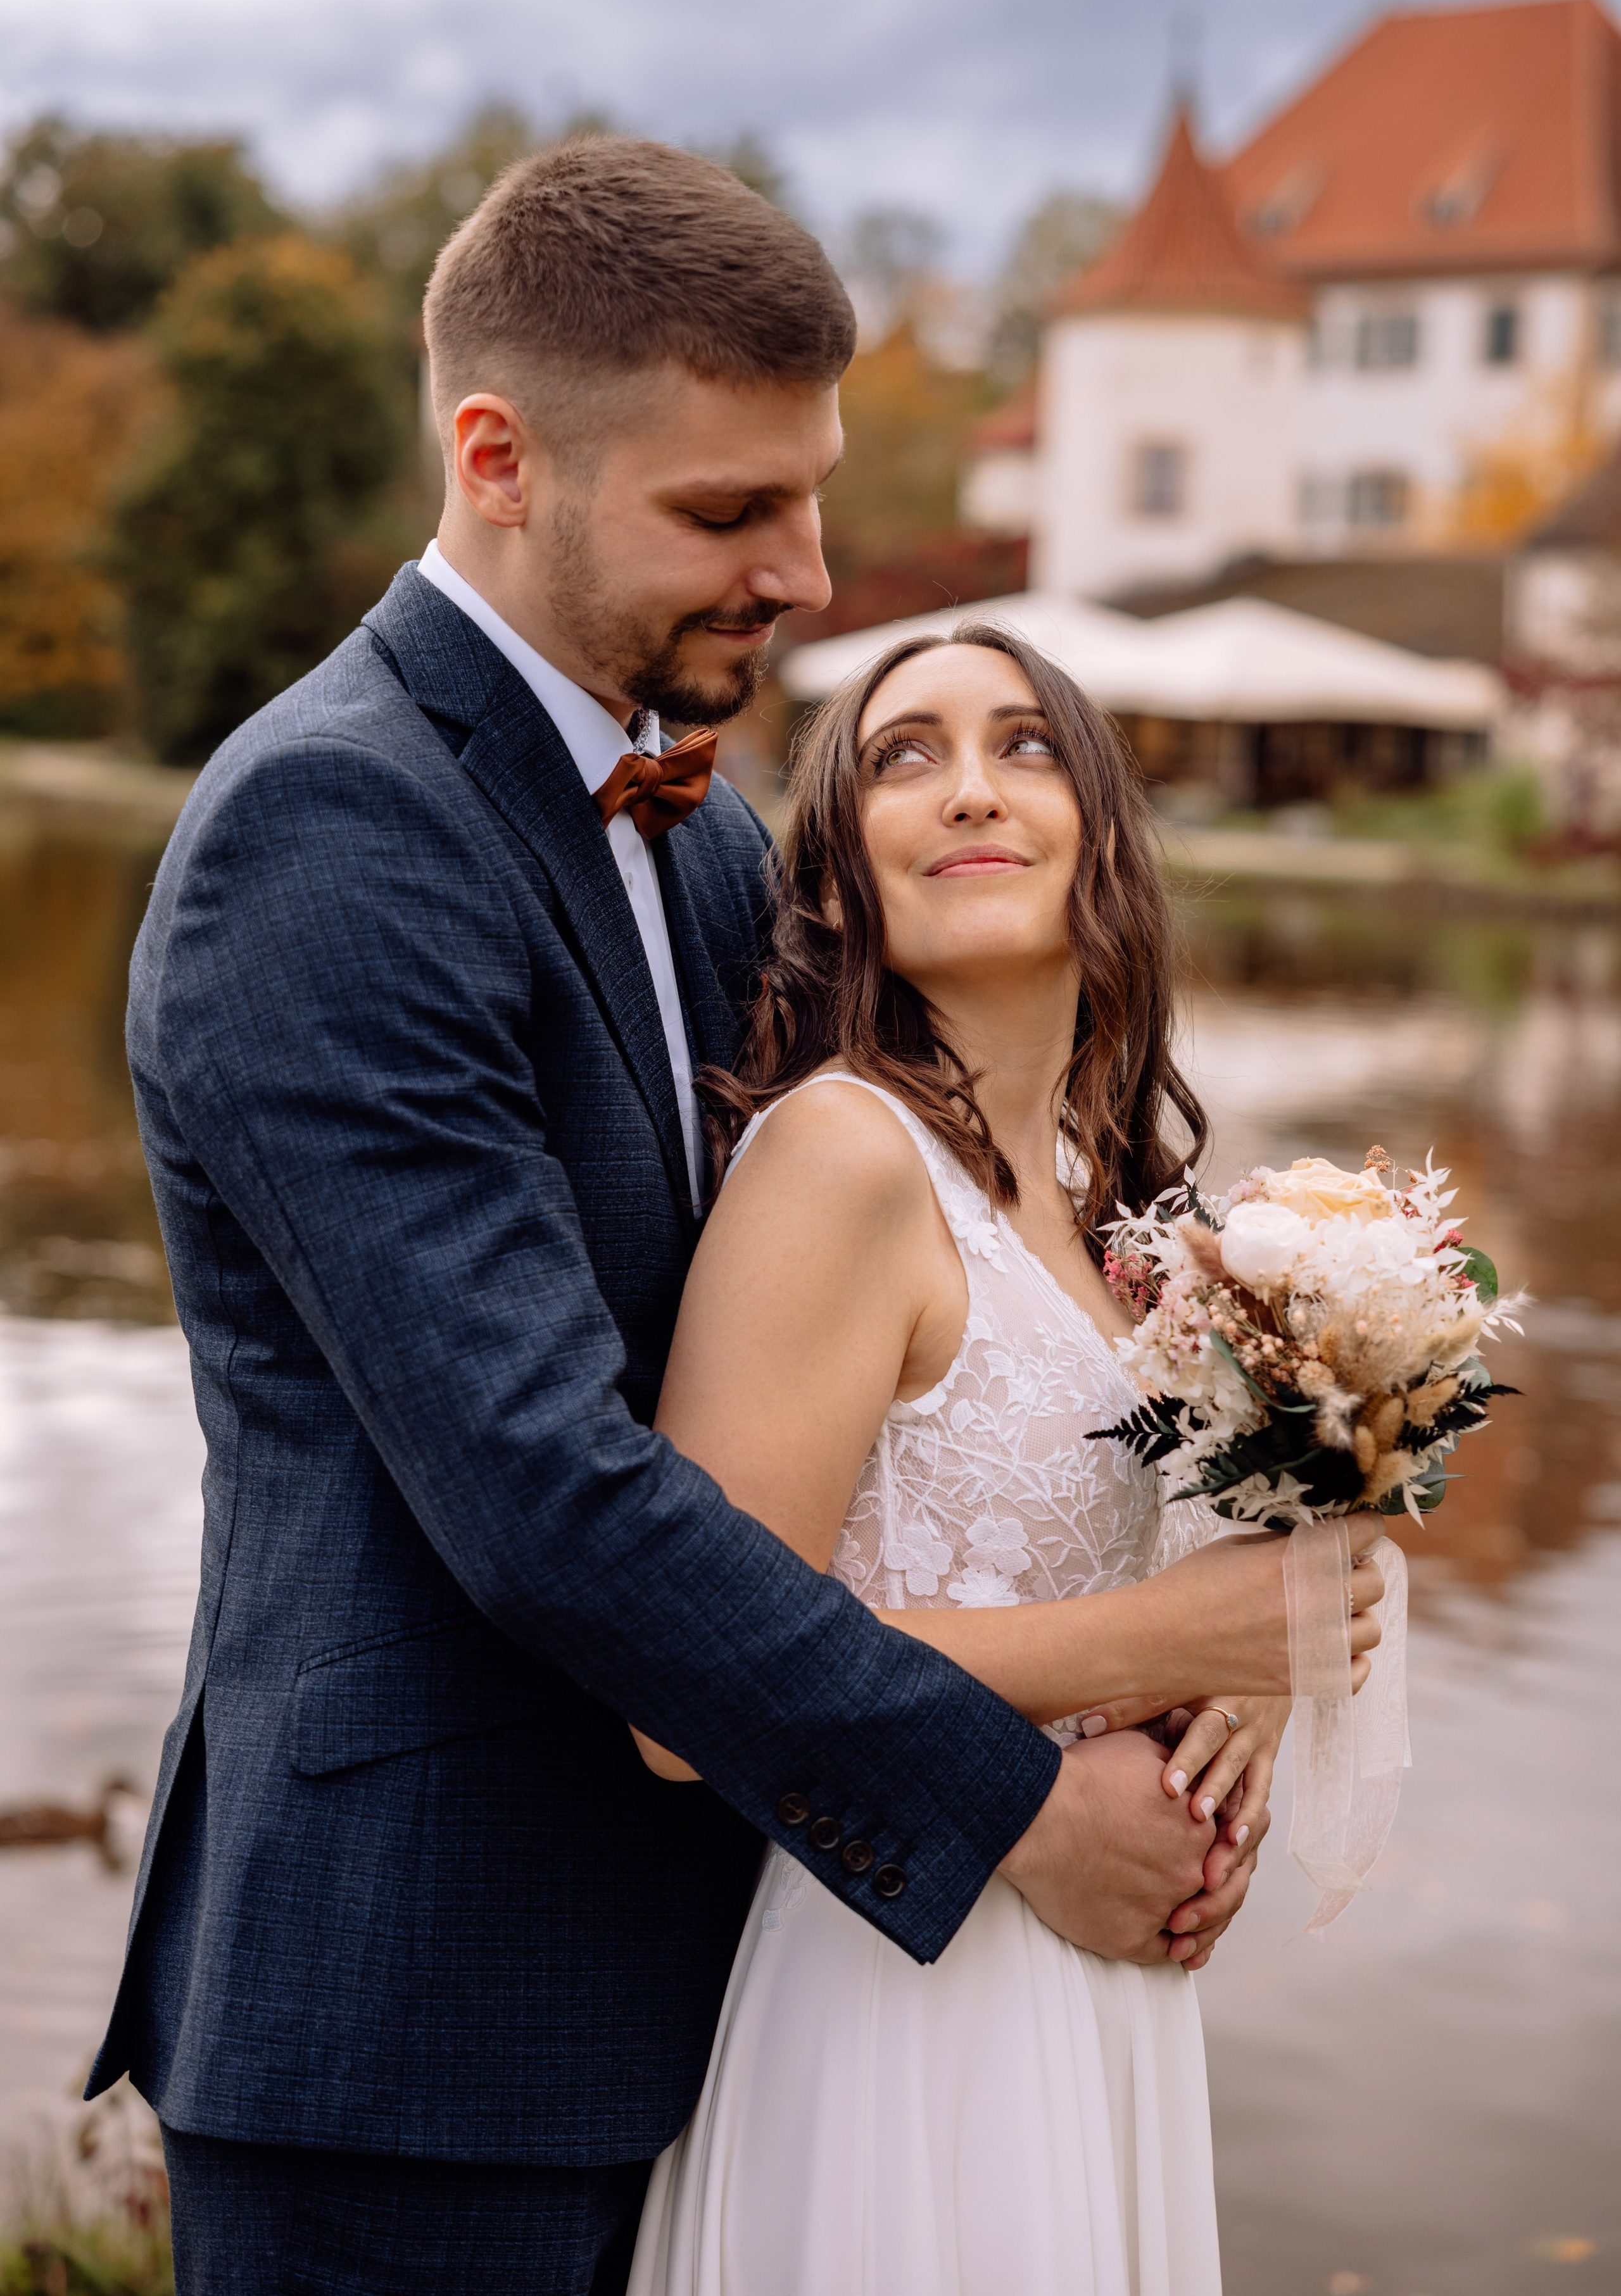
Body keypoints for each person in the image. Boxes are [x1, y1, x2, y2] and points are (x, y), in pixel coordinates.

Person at [86, 137, 1359, 2296]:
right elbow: (548, 1493)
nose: (803, 569)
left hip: (751, 1981)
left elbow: (967, 1285)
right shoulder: (332, 833)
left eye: (814, 492)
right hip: (423, 2018)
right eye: (725, 511)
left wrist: (1313, 1479)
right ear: (499, 459)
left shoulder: (701, 846)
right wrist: (1025, 1795)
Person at [627, 626, 1384, 2295]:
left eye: (1027, 745)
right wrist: (1169, 1641)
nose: (968, 786)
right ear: (846, 870)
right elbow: (688, 1695)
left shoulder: (1130, 1219)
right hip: (907, 1990)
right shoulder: (840, 1157)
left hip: (1103, 1984)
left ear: (1106, 828)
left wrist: (1250, 1687)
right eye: (903, 757)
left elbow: (1210, 1562)